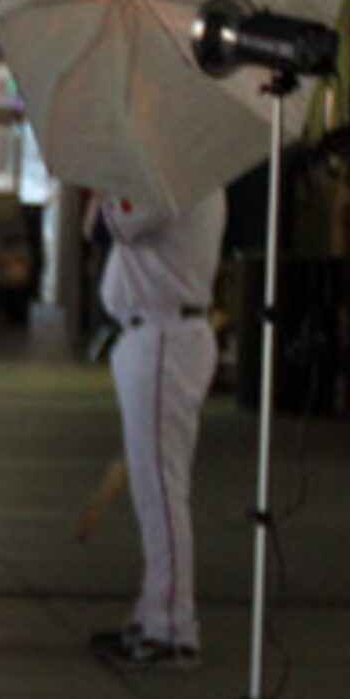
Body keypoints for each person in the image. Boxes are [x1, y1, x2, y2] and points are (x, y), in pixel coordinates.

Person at [91, 185, 225, 671]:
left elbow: (103, 225)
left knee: (162, 492)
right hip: (154, 332)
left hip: (163, 334)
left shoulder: (171, 174)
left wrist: (104, 183)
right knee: (155, 491)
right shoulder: (185, 171)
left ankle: (172, 624)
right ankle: (155, 613)